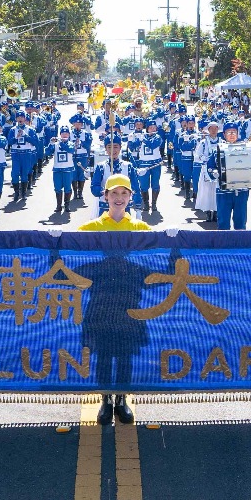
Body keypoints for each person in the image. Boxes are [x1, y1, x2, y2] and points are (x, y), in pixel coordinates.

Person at [78, 175, 149, 423]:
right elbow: (70, 253)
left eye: (124, 194)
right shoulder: (92, 228)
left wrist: (172, 240)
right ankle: (105, 400)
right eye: (114, 194)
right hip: (101, 301)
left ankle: (122, 399)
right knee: (105, 354)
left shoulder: (140, 229)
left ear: (131, 197)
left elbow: (160, 261)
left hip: (129, 301)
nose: (119, 199)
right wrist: (55, 240)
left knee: (126, 354)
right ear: (105, 196)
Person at [206, 122, 249, 230]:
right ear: (224, 135)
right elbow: (210, 166)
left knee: (241, 221)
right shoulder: (218, 150)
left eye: (234, 132)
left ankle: (240, 245)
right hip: (223, 191)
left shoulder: (246, 149)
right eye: (229, 132)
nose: (231, 134)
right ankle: (224, 246)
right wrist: (214, 173)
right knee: (223, 221)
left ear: (238, 134)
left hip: (241, 190)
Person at [46, 125, 76, 213]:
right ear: (60, 134)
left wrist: (62, 143)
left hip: (68, 170)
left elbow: (70, 150)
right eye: (63, 133)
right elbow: (47, 152)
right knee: (57, 188)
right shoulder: (55, 145)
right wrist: (51, 143)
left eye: (66, 133)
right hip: (57, 170)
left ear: (69, 135)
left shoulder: (71, 143)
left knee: (67, 188)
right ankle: (59, 206)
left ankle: (67, 205)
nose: (65, 135)